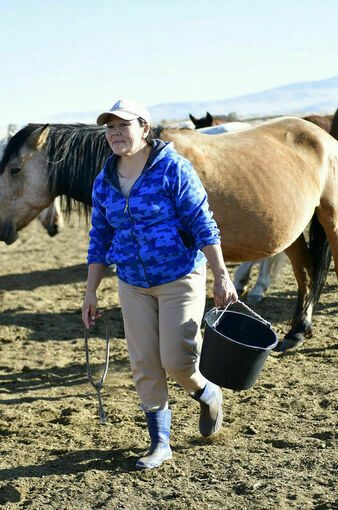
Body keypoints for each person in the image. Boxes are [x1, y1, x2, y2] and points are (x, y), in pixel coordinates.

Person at [81, 99, 238, 470]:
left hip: (179, 277)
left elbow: (203, 222)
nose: (115, 133)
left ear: (144, 129)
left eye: (123, 126)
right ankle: (160, 443)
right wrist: (90, 292)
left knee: (178, 360)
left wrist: (221, 274)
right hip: (132, 282)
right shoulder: (104, 181)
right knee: (144, 363)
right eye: (109, 127)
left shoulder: (173, 169)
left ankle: (207, 392)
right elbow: (99, 238)